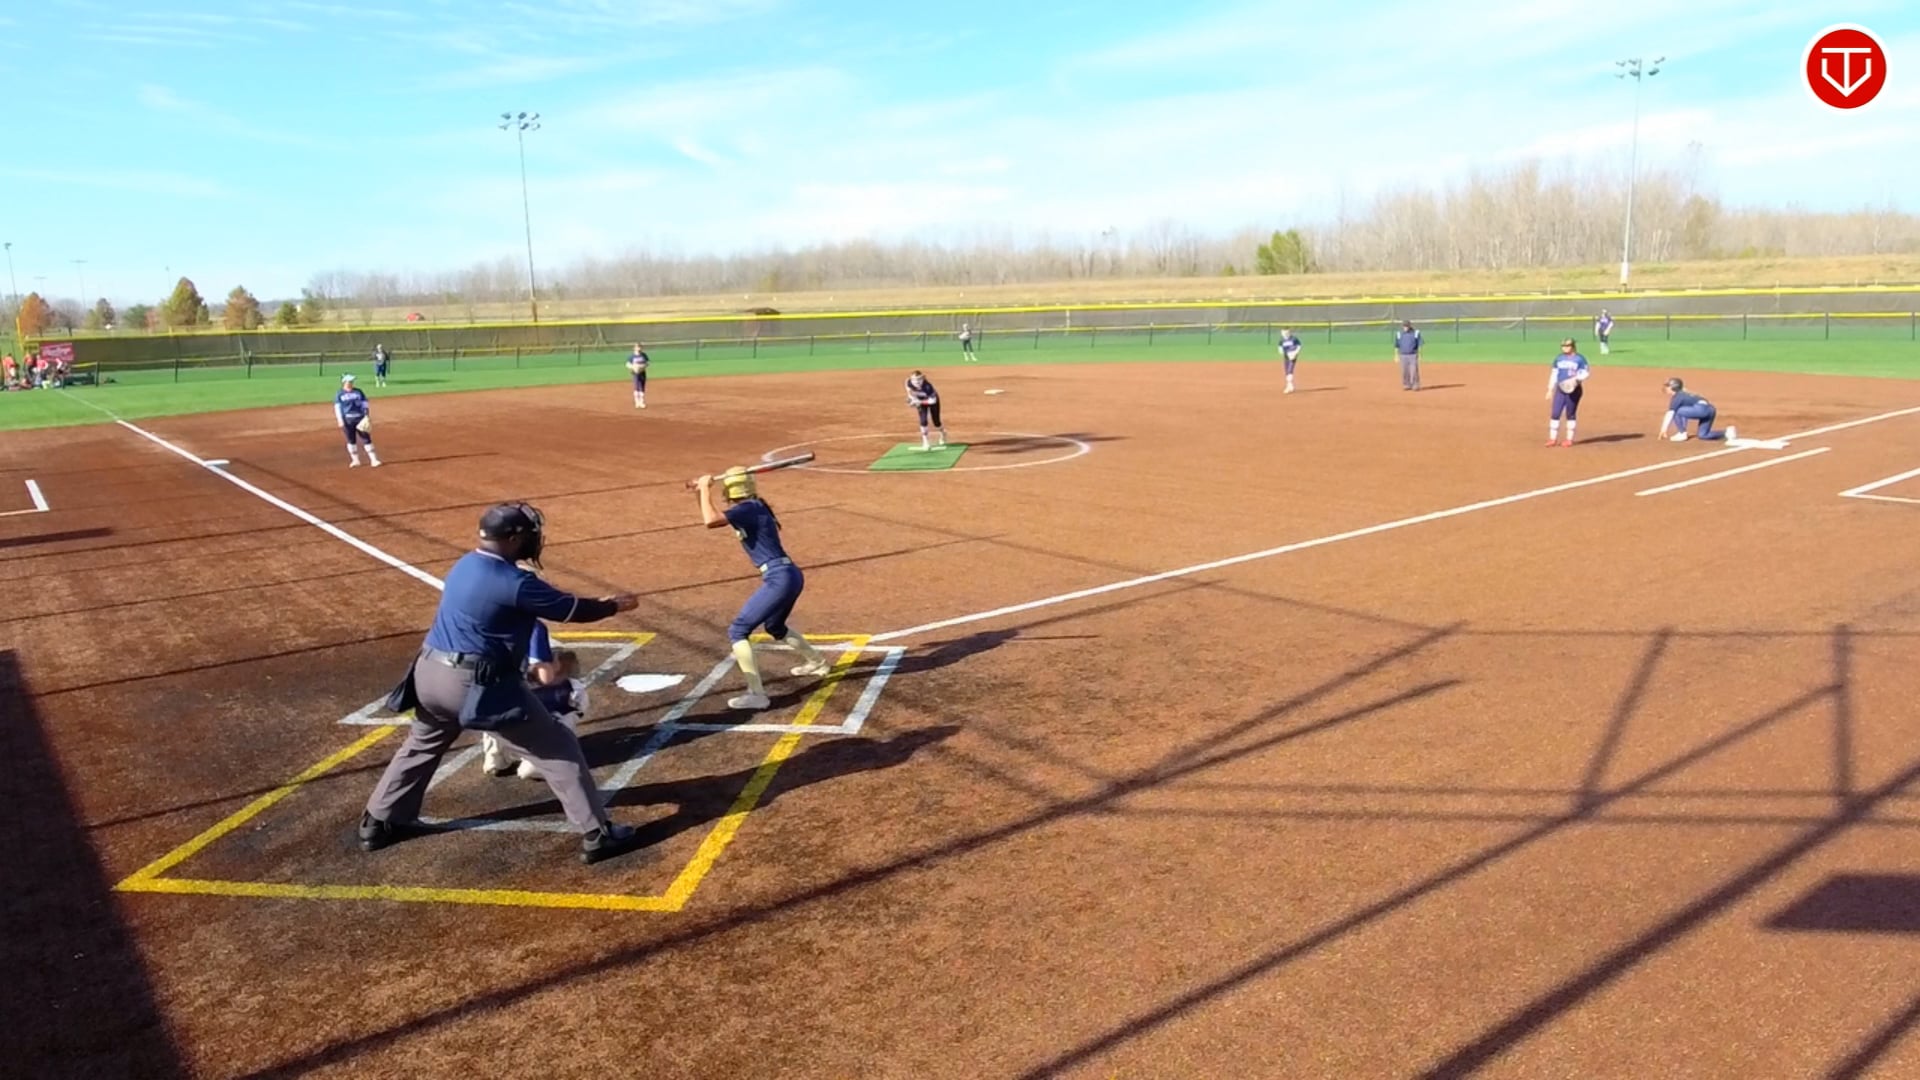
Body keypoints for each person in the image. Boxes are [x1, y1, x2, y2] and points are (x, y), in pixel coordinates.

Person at [359, 503, 642, 864]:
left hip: (428, 674)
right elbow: (570, 610)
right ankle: (597, 834)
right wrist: (612, 605)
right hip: (475, 685)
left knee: (421, 745)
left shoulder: (465, 564)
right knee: (558, 748)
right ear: (513, 539)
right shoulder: (515, 582)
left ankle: (378, 821)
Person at [696, 466, 833, 712]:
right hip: (788, 575)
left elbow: (711, 520)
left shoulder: (747, 509)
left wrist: (706, 488)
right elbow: (709, 513)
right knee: (775, 626)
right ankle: (818, 663)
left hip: (779, 577)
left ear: (730, 490)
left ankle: (757, 695)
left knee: (738, 630)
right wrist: (700, 491)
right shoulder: (754, 506)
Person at [481, 621, 588, 780]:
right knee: (494, 714)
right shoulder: (515, 683)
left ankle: (509, 758)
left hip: (535, 733)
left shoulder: (572, 690)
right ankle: (499, 757)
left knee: (529, 770)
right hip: (524, 731)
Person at [1658, 377, 1737, 443]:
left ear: (1673, 387)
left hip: (1701, 409)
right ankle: (1727, 432)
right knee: (1703, 435)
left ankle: (1682, 433)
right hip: (1710, 410)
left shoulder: (1678, 397)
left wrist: (1663, 430)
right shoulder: (1685, 393)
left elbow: (1670, 413)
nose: (1666, 388)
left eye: (1668, 386)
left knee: (1677, 411)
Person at [1545, 338, 1591, 447]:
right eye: (1563, 346)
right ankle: (1552, 439)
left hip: (1574, 390)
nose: (1564, 348)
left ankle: (1569, 439)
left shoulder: (1580, 359)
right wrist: (1550, 389)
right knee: (1555, 413)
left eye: (1567, 346)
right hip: (1560, 389)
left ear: (1573, 346)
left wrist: (1576, 379)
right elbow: (1554, 374)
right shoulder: (1559, 359)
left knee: (1570, 414)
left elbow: (1585, 372)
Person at [333, 373, 381, 467]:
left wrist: (366, 415)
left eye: (352, 381)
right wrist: (340, 419)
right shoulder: (339, 393)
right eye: (349, 381)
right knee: (351, 440)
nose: (351, 383)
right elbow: (337, 407)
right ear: (344, 382)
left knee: (366, 438)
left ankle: (374, 460)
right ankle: (355, 460)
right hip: (347, 420)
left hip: (360, 418)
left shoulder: (358, 391)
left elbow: (365, 403)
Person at [906, 370, 948, 450]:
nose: (917, 381)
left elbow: (933, 401)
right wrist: (913, 400)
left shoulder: (928, 387)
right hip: (921, 401)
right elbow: (909, 392)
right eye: (914, 379)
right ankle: (925, 442)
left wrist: (919, 402)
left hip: (932, 401)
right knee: (923, 420)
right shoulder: (908, 382)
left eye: (919, 379)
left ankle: (943, 433)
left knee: (936, 422)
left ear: (923, 378)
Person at [1393, 320, 1423, 391]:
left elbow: (1419, 345)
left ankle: (1415, 385)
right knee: (1404, 371)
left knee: (1414, 370)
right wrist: (1396, 355)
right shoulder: (1399, 334)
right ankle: (1406, 384)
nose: (1405, 327)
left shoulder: (1415, 333)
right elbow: (1396, 346)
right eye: (1404, 326)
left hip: (1413, 354)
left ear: (1410, 326)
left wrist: (1420, 354)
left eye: (1407, 326)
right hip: (1403, 355)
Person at [1278, 328, 1303, 394]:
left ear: (1289, 332)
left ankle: (1288, 386)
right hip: (1286, 357)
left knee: (1290, 370)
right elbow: (1280, 347)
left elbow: (1299, 345)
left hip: (1292, 356)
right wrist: (1282, 352)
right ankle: (1290, 386)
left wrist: (1296, 352)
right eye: (1283, 332)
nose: (1284, 333)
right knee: (1287, 371)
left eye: (1286, 332)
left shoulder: (1293, 339)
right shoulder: (1282, 340)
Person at [627, 343, 650, 408]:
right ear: (634, 348)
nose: (639, 348)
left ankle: (641, 402)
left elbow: (648, 363)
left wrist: (642, 366)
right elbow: (627, 364)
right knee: (636, 386)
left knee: (642, 387)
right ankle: (637, 402)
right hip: (635, 373)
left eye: (640, 347)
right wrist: (633, 367)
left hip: (642, 372)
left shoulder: (644, 355)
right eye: (637, 347)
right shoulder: (632, 356)